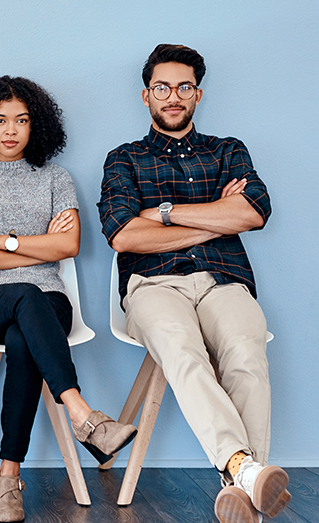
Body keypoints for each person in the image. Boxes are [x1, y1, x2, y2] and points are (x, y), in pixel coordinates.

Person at [98, 44, 287, 523]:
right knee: (184, 352)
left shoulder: (228, 150)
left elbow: (253, 212)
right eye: (162, 87)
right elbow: (123, 236)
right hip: (154, 284)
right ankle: (244, 470)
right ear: (147, 96)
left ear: (197, 94)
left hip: (224, 280)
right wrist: (216, 221)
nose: (173, 96)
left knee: (247, 355)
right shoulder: (124, 159)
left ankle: (240, 485)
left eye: (184, 87)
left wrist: (161, 214)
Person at [0, 76, 137, 522]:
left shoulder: (56, 178)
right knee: (26, 294)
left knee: (23, 333)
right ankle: (84, 415)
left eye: (22, 120)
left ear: (37, 126)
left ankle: (8, 476)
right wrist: (33, 245)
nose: (11, 130)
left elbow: (68, 247)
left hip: (48, 304)